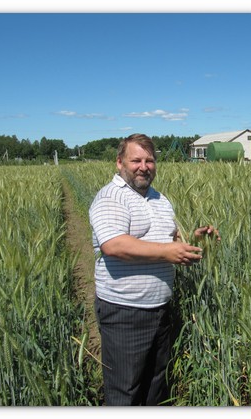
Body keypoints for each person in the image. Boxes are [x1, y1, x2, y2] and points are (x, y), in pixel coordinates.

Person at [89, 133, 218, 406]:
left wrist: (195, 238)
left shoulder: (160, 199)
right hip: (124, 311)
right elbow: (113, 244)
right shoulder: (111, 197)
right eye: (136, 160)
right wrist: (167, 252)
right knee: (125, 391)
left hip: (159, 309)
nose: (143, 166)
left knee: (155, 386)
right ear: (119, 162)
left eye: (150, 160)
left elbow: (171, 242)